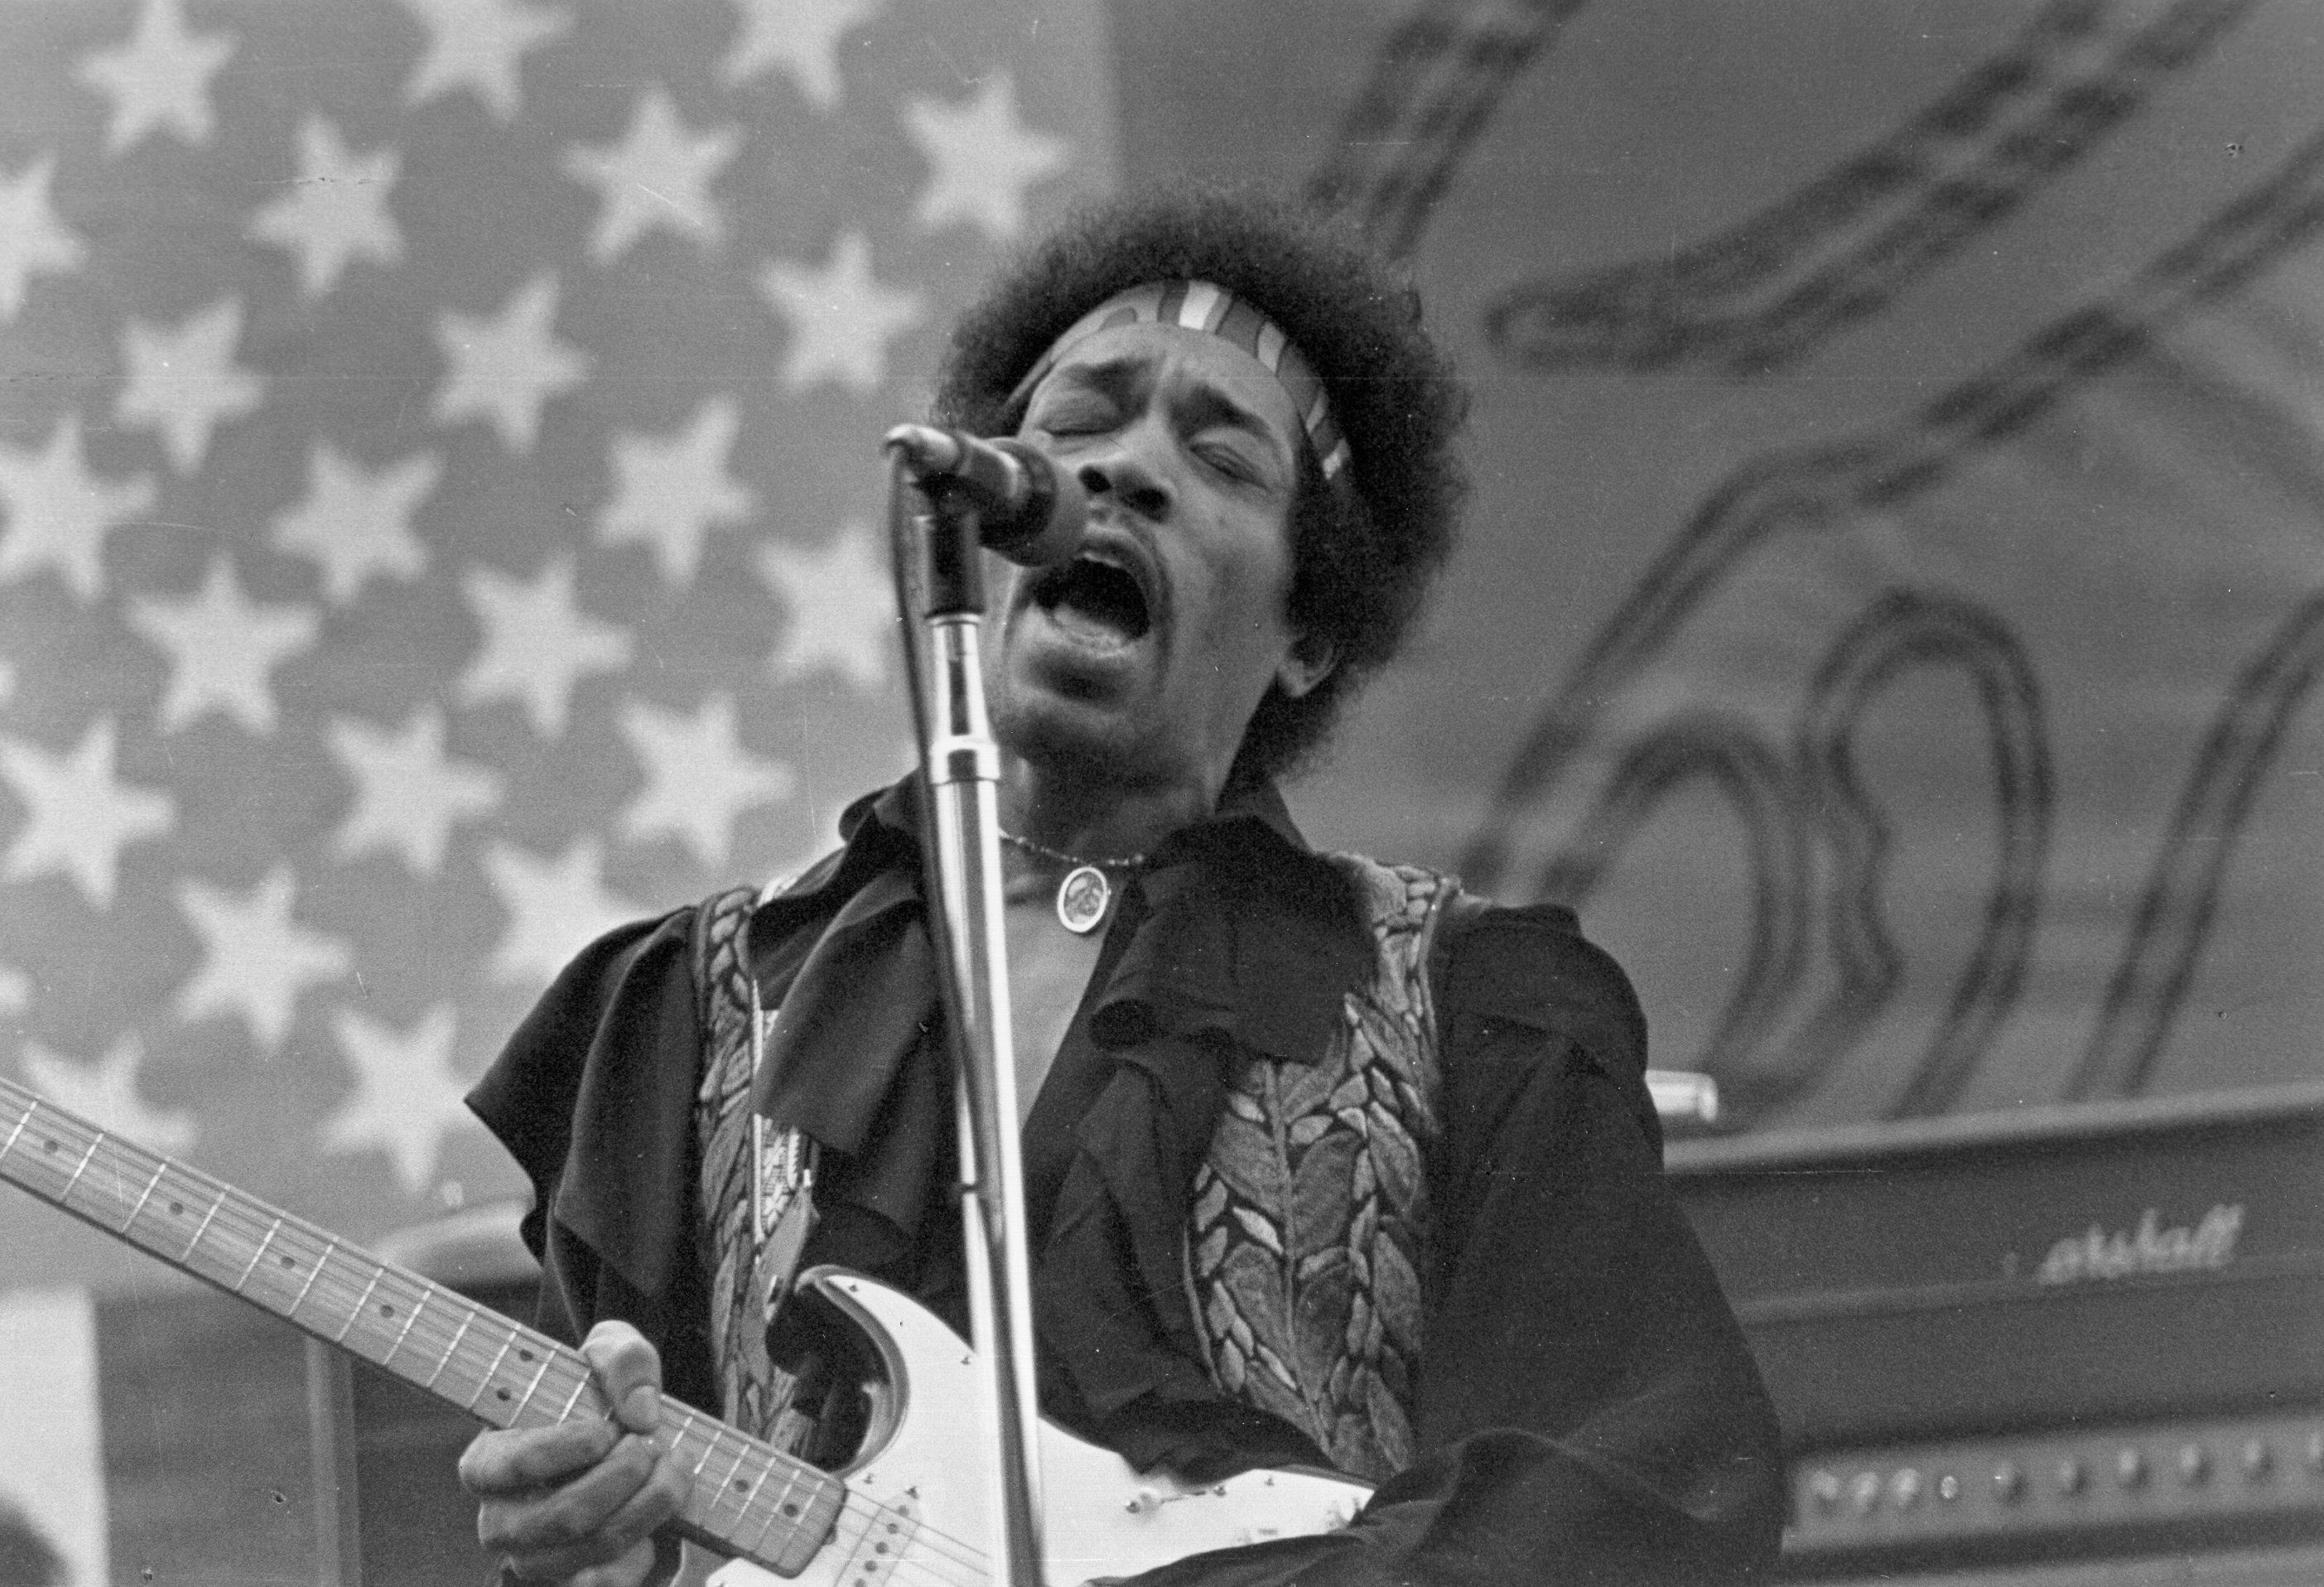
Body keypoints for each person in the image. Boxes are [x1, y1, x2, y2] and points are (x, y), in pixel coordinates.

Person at [458, 186, 1786, 1587]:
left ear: (1308, 639)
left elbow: (1644, 1498)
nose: (1129, 471)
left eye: (1222, 460)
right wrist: (588, 1549)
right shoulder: (685, 1015)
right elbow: (626, 1524)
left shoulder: (1473, 1008)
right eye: (1080, 422)